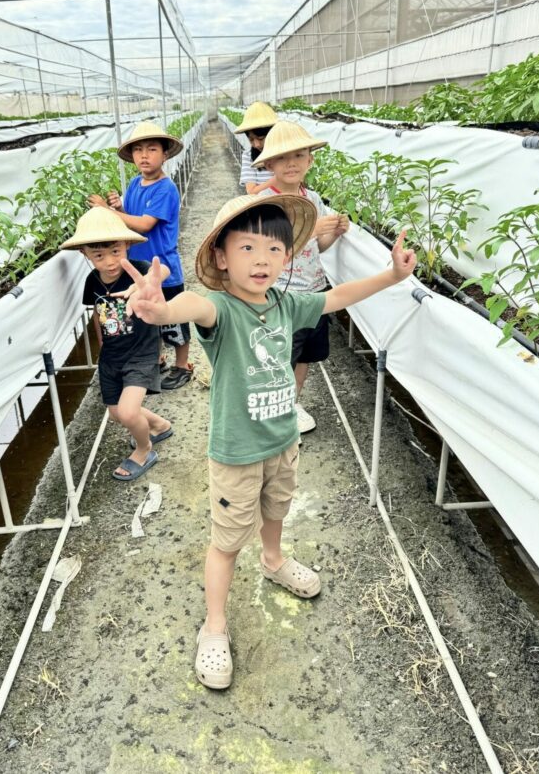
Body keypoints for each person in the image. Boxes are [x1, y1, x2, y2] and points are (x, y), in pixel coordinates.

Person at [123, 192, 416, 689]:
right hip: (237, 452)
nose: (262, 260)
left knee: (277, 506)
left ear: (287, 256)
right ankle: (214, 626)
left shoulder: (285, 303)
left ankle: (275, 559)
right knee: (226, 540)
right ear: (220, 256)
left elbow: (334, 299)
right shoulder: (220, 308)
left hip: (282, 439)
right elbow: (189, 305)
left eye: (274, 250)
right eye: (247, 248)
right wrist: (157, 309)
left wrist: (392, 276)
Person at [61, 207, 173, 482]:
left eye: (116, 252)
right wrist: (101, 347)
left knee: (128, 411)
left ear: (128, 245)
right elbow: (98, 314)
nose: (109, 261)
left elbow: (163, 271)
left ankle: (144, 449)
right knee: (115, 412)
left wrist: (145, 283)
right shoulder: (92, 281)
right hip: (112, 355)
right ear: (84, 254)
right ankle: (159, 425)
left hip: (142, 352)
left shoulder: (141, 272)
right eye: (98, 255)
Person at [253, 119, 350, 436]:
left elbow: (318, 248)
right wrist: (311, 230)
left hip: (314, 291)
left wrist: (334, 232)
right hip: (280, 296)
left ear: (310, 159)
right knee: (280, 356)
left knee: (304, 354)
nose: (291, 163)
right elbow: (265, 256)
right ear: (269, 163)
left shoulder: (314, 199)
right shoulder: (266, 202)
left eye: (299, 155)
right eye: (282, 157)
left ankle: (290, 403)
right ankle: (275, 413)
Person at [88, 121, 193, 390]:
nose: (144, 155)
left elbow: (145, 224)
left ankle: (182, 366)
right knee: (146, 319)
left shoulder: (166, 188)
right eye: (138, 150)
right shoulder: (135, 183)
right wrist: (120, 206)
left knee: (174, 321)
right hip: (138, 270)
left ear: (165, 154)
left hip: (163, 270)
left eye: (151, 149)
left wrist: (107, 211)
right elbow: (129, 218)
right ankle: (156, 361)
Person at [234, 101, 279, 195]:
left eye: (261, 138)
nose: (257, 144)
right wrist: (279, 178)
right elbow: (251, 191)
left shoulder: (287, 153)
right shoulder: (248, 156)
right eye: (251, 140)